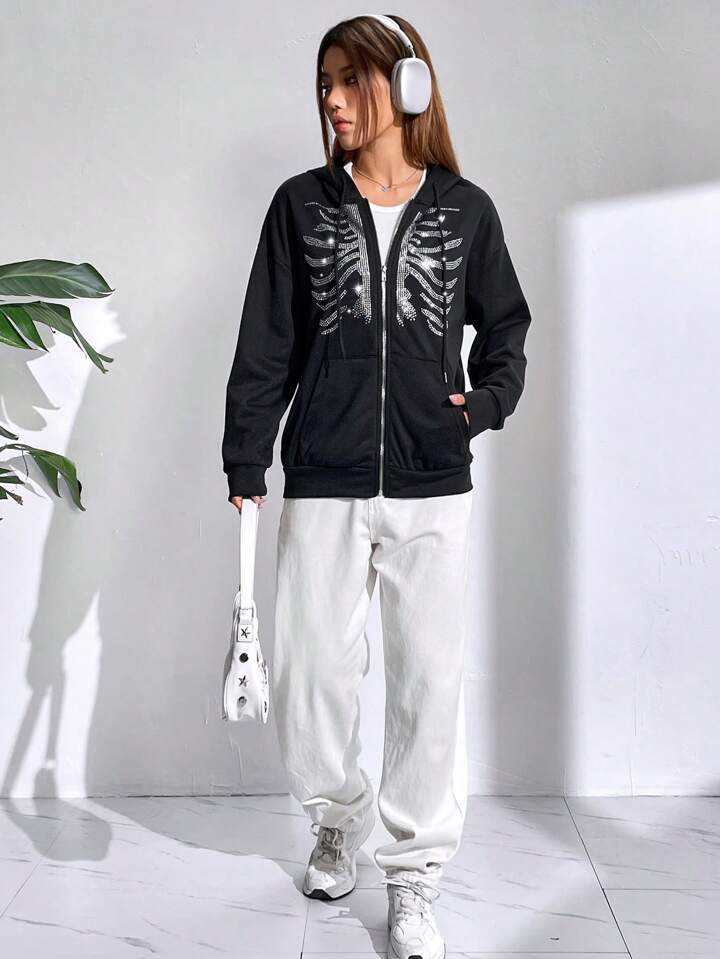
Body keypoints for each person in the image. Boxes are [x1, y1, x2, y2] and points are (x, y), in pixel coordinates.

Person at [222, 14, 531, 959]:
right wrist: (246, 457)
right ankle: (335, 817)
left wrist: (477, 408)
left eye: (350, 79)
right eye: (325, 81)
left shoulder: (465, 211)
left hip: (433, 482)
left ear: (406, 87)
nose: (332, 99)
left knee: (428, 682)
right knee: (312, 673)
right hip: (325, 470)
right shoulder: (301, 205)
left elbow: (508, 332)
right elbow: (267, 341)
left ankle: (414, 877)